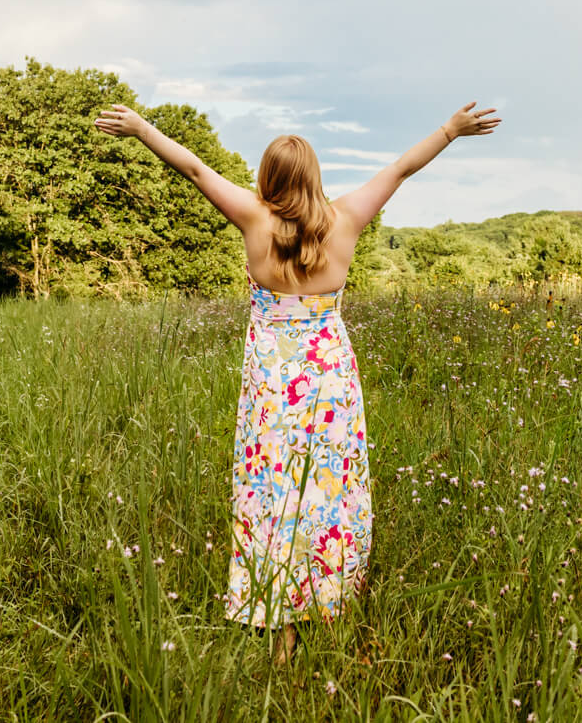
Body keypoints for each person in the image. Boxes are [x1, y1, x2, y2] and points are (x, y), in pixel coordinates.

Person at [92, 99, 502, 662]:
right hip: (329, 379)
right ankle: (328, 603)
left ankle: (279, 622)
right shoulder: (348, 218)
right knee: (327, 492)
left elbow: (191, 168)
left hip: (270, 384)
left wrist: (141, 129)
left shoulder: (253, 218)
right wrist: (450, 131)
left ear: (268, 179)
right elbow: (402, 168)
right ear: (314, 177)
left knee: (273, 493)